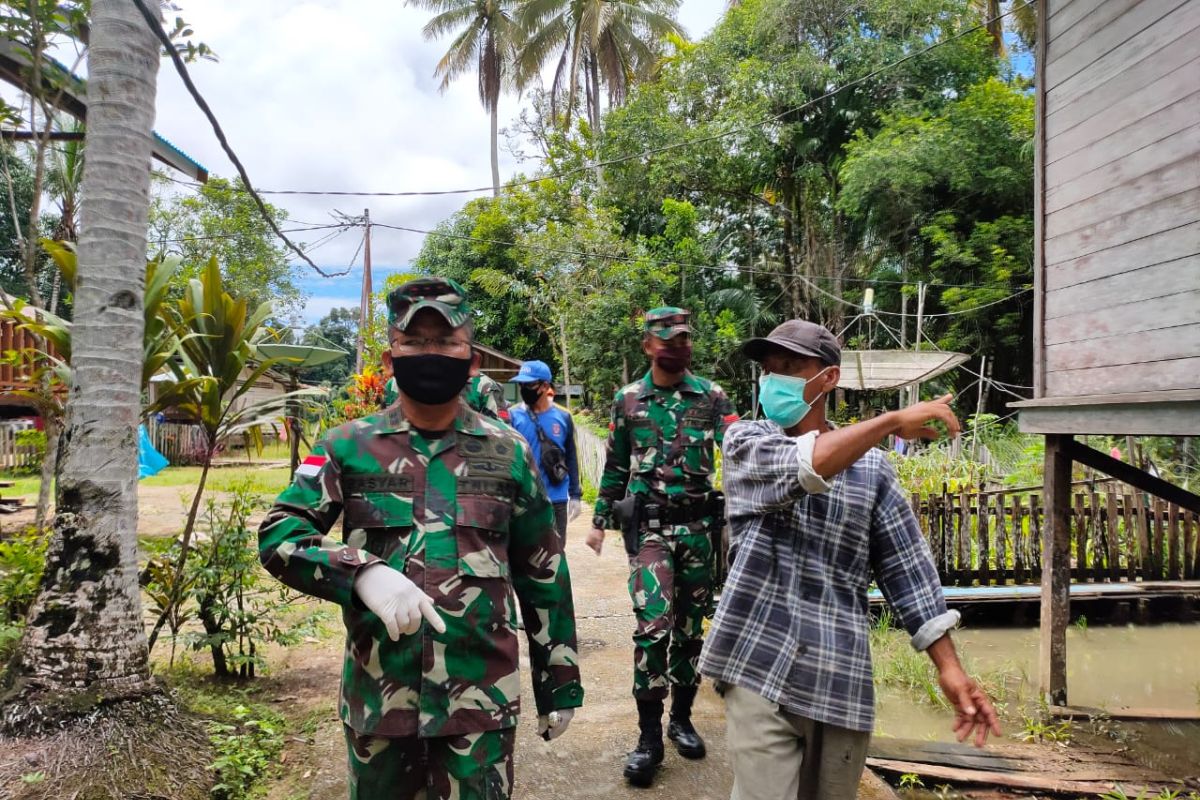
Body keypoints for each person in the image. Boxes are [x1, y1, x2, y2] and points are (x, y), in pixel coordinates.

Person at [259, 277, 583, 800]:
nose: (430, 353)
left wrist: (559, 680)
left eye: (446, 342)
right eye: (413, 342)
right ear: (390, 359)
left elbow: (543, 569)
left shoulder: (510, 451)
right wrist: (358, 571)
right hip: (381, 704)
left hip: (480, 703)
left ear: (472, 359)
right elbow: (280, 532)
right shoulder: (346, 446)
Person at [698, 320, 1000, 800]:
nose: (774, 379)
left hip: (838, 674)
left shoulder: (874, 472)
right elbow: (806, 464)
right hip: (757, 658)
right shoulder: (745, 443)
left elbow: (909, 572)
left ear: (829, 378)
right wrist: (889, 423)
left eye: (791, 367)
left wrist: (949, 667)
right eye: (768, 369)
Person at [584, 307, 738, 787]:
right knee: (653, 627)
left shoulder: (711, 396)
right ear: (648, 345)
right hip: (650, 531)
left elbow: (741, 446)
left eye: (684, 339)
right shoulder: (627, 401)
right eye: (667, 339)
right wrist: (599, 519)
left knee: (692, 630)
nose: (677, 346)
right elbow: (614, 465)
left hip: (697, 530)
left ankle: (682, 719)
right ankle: (648, 738)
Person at [509, 359, 582, 543]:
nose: (524, 388)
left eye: (530, 384)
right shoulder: (512, 416)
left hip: (556, 500)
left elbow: (571, 457)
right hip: (523, 500)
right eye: (522, 384)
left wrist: (575, 496)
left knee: (556, 556)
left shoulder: (563, 417)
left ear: (545, 386)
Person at [384, 353, 509, 422]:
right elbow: (384, 424)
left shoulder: (485, 386)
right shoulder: (395, 384)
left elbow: (502, 432)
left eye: (445, 341)